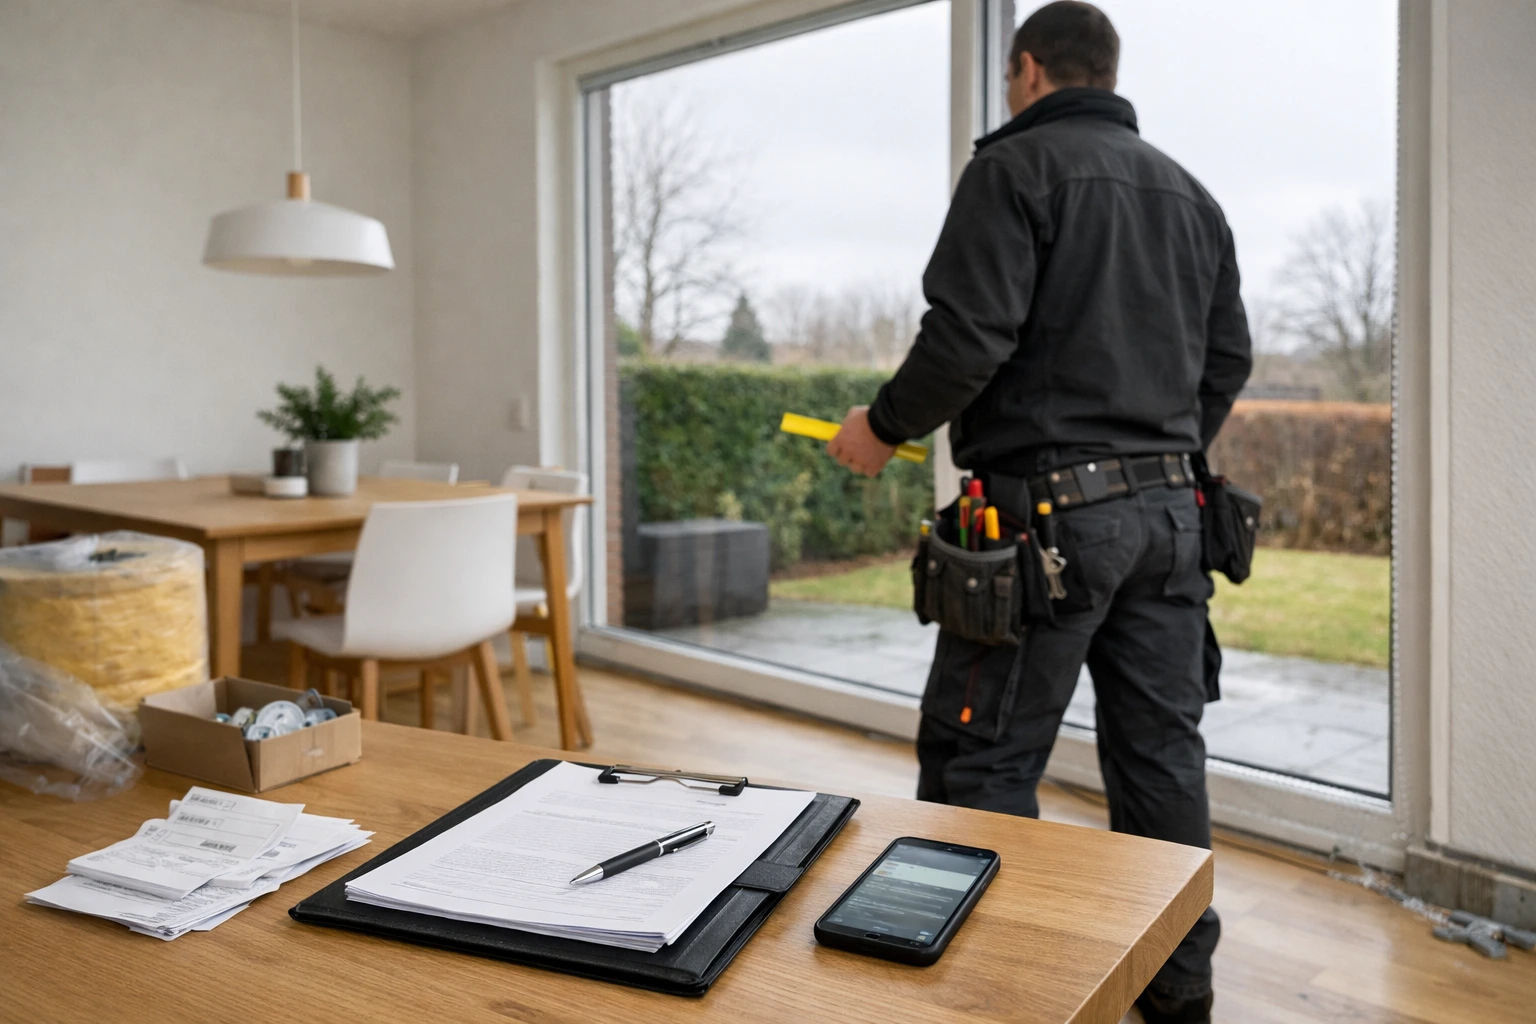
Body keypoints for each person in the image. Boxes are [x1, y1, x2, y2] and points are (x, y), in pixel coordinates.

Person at [827, 3, 1251, 1021]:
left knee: (983, 757)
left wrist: (881, 427)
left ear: (1026, 70)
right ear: (1106, 73)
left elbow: (968, 336)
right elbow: (1230, 359)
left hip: (1047, 529)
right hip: (1172, 518)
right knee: (1160, 761)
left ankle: (998, 994)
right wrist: (1153, 450)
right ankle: (1178, 996)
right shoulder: (1193, 197)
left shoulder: (1012, 171)